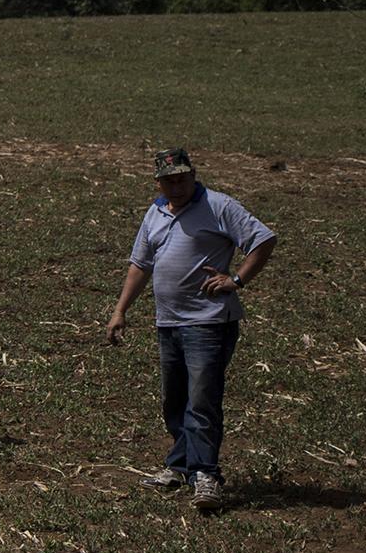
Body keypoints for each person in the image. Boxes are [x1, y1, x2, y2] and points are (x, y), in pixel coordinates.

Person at [105, 147, 277, 511]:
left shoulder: (218, 206)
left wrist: (236, 279)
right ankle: (180, 466)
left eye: (183, 178)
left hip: (208, 321)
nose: (177, 185)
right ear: (158, 182)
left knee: (202, 401)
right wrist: (120, 310)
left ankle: (206, 475)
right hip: (168, 321)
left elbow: (263, 239)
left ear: (193, 175)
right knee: (176, 399)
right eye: (169, 180)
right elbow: (140, 264)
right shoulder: (155, 212)